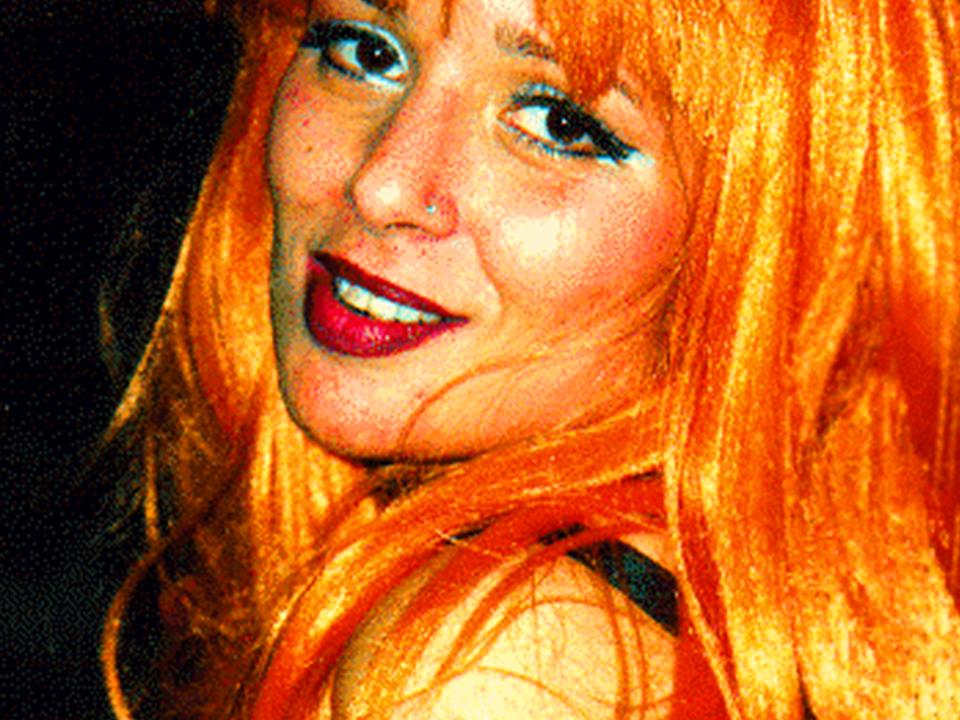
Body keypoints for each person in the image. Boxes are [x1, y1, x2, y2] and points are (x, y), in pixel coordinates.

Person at [100, 0, 960, 717]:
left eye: (558, 123)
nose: (382, 184)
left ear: (774, 239)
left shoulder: (495, 659)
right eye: (366, 51)